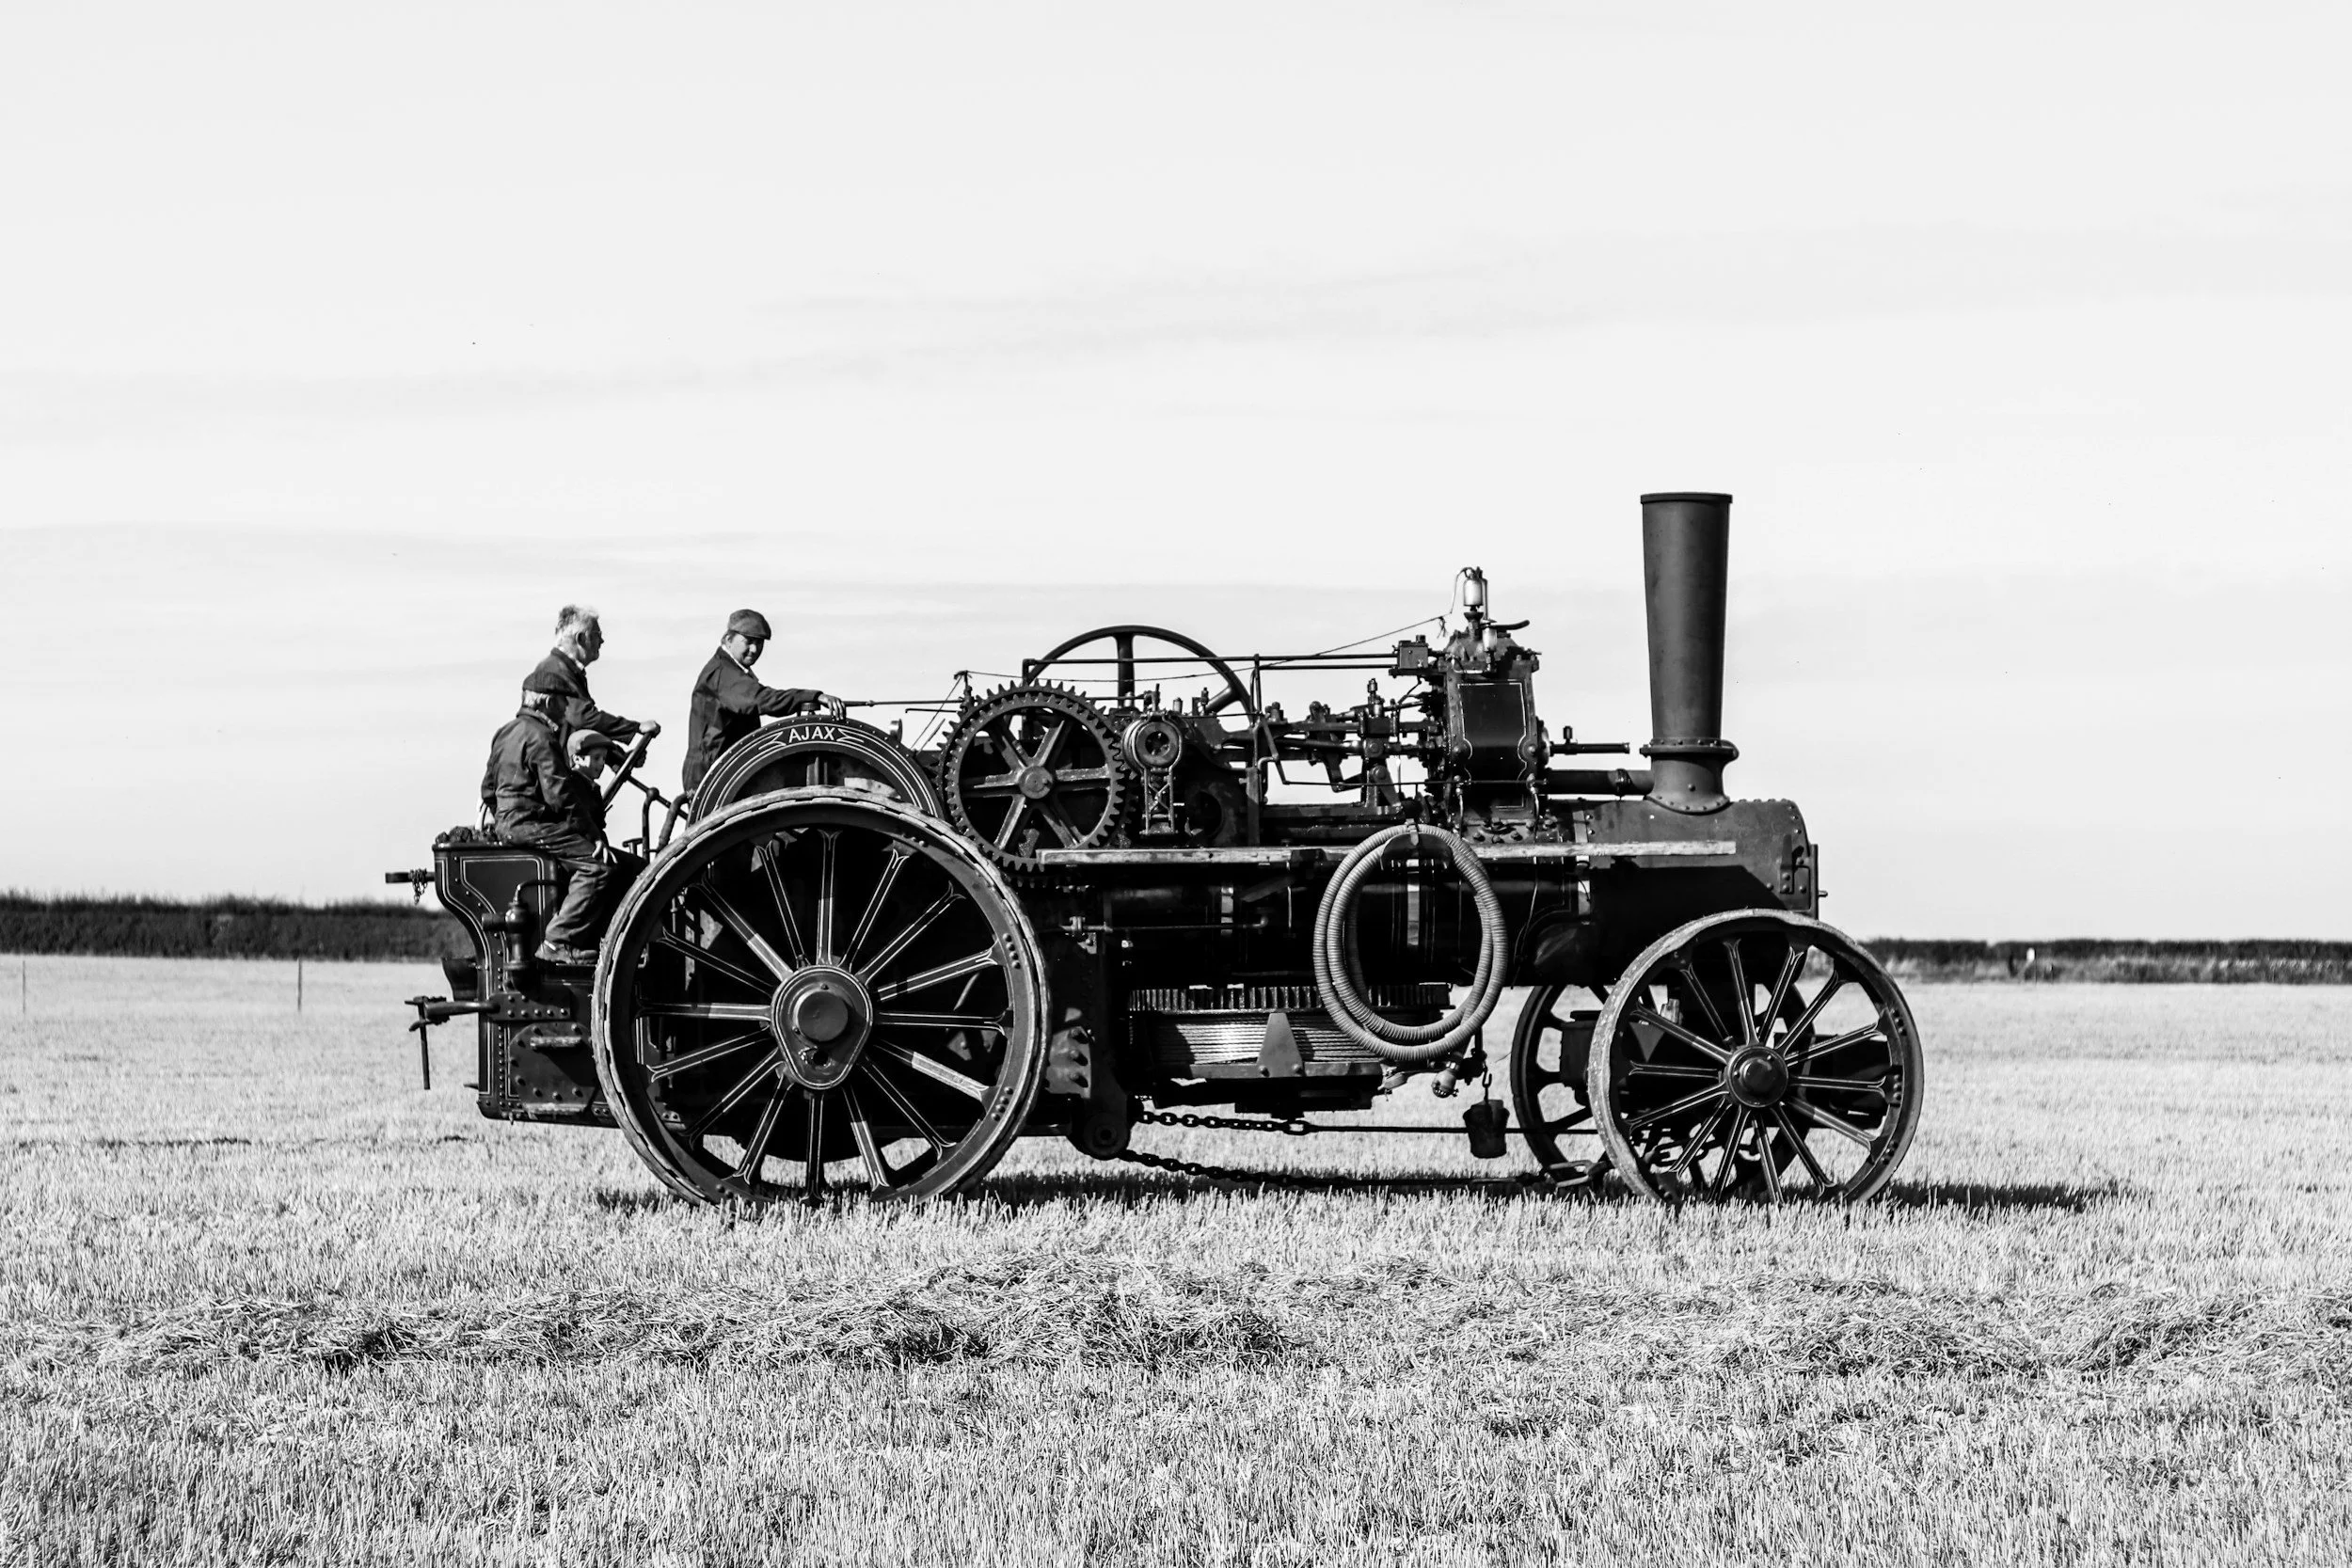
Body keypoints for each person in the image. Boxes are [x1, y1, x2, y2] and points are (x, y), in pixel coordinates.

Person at [480, 673, 616, 965]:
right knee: (598, 866)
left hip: (508, 822)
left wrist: (503, 820)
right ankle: (559, 942)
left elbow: (488, 790)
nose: (565, 710)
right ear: (546, 701)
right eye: (561, 703)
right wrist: (593, 835)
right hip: (531, 824)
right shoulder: (542, 737)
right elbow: (561, 796)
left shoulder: (505, 733)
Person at [681, 609, 847, 793]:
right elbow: (762, 700)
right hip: (714, 776)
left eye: (759, 643)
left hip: (722, 772)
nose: (754, 649)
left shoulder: (732, 671)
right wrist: (812, 696)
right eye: (748, 641)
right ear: (729, 639)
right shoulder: (723, 674)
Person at [528, 604, 659, 752]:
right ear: (581, 638)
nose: (602, 641)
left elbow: (582, 732)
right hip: (553, 765)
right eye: (597, 635)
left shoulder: (567, 670)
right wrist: (635, 727)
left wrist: (616, 757)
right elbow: (583, 719)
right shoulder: (554, 670)